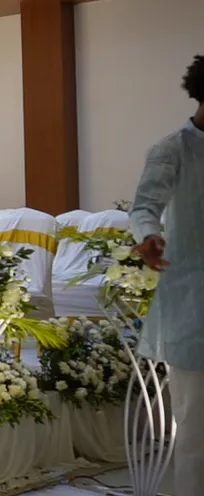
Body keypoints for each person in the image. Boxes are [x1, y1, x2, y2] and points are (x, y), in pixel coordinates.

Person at [129, 54, 204, 495]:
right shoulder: (173, 149)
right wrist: (149, 236)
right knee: (195, 429)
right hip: (193, 303)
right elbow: (144, 207)